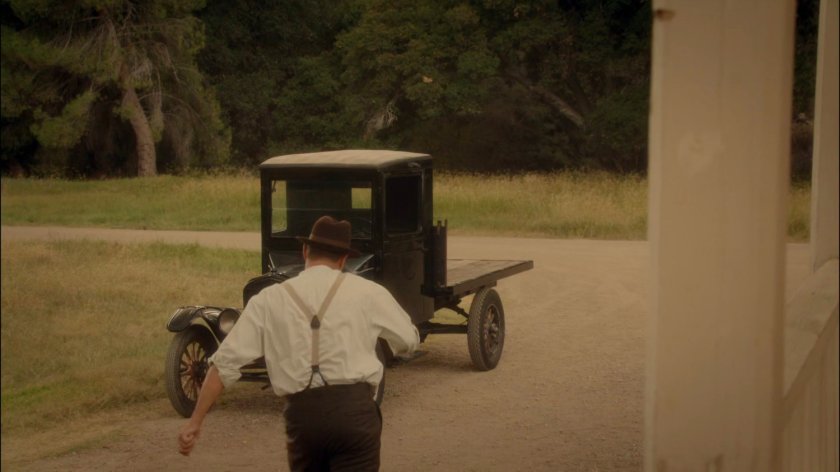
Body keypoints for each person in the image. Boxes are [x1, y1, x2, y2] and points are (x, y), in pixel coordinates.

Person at [178, 215, 420, 471]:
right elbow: (408, 339)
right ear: (344, 259)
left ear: (305, 251)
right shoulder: (368, 292)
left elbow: (224, 364)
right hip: (354, 415)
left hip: (303, 418)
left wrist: (195, 422)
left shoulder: (268, 299)